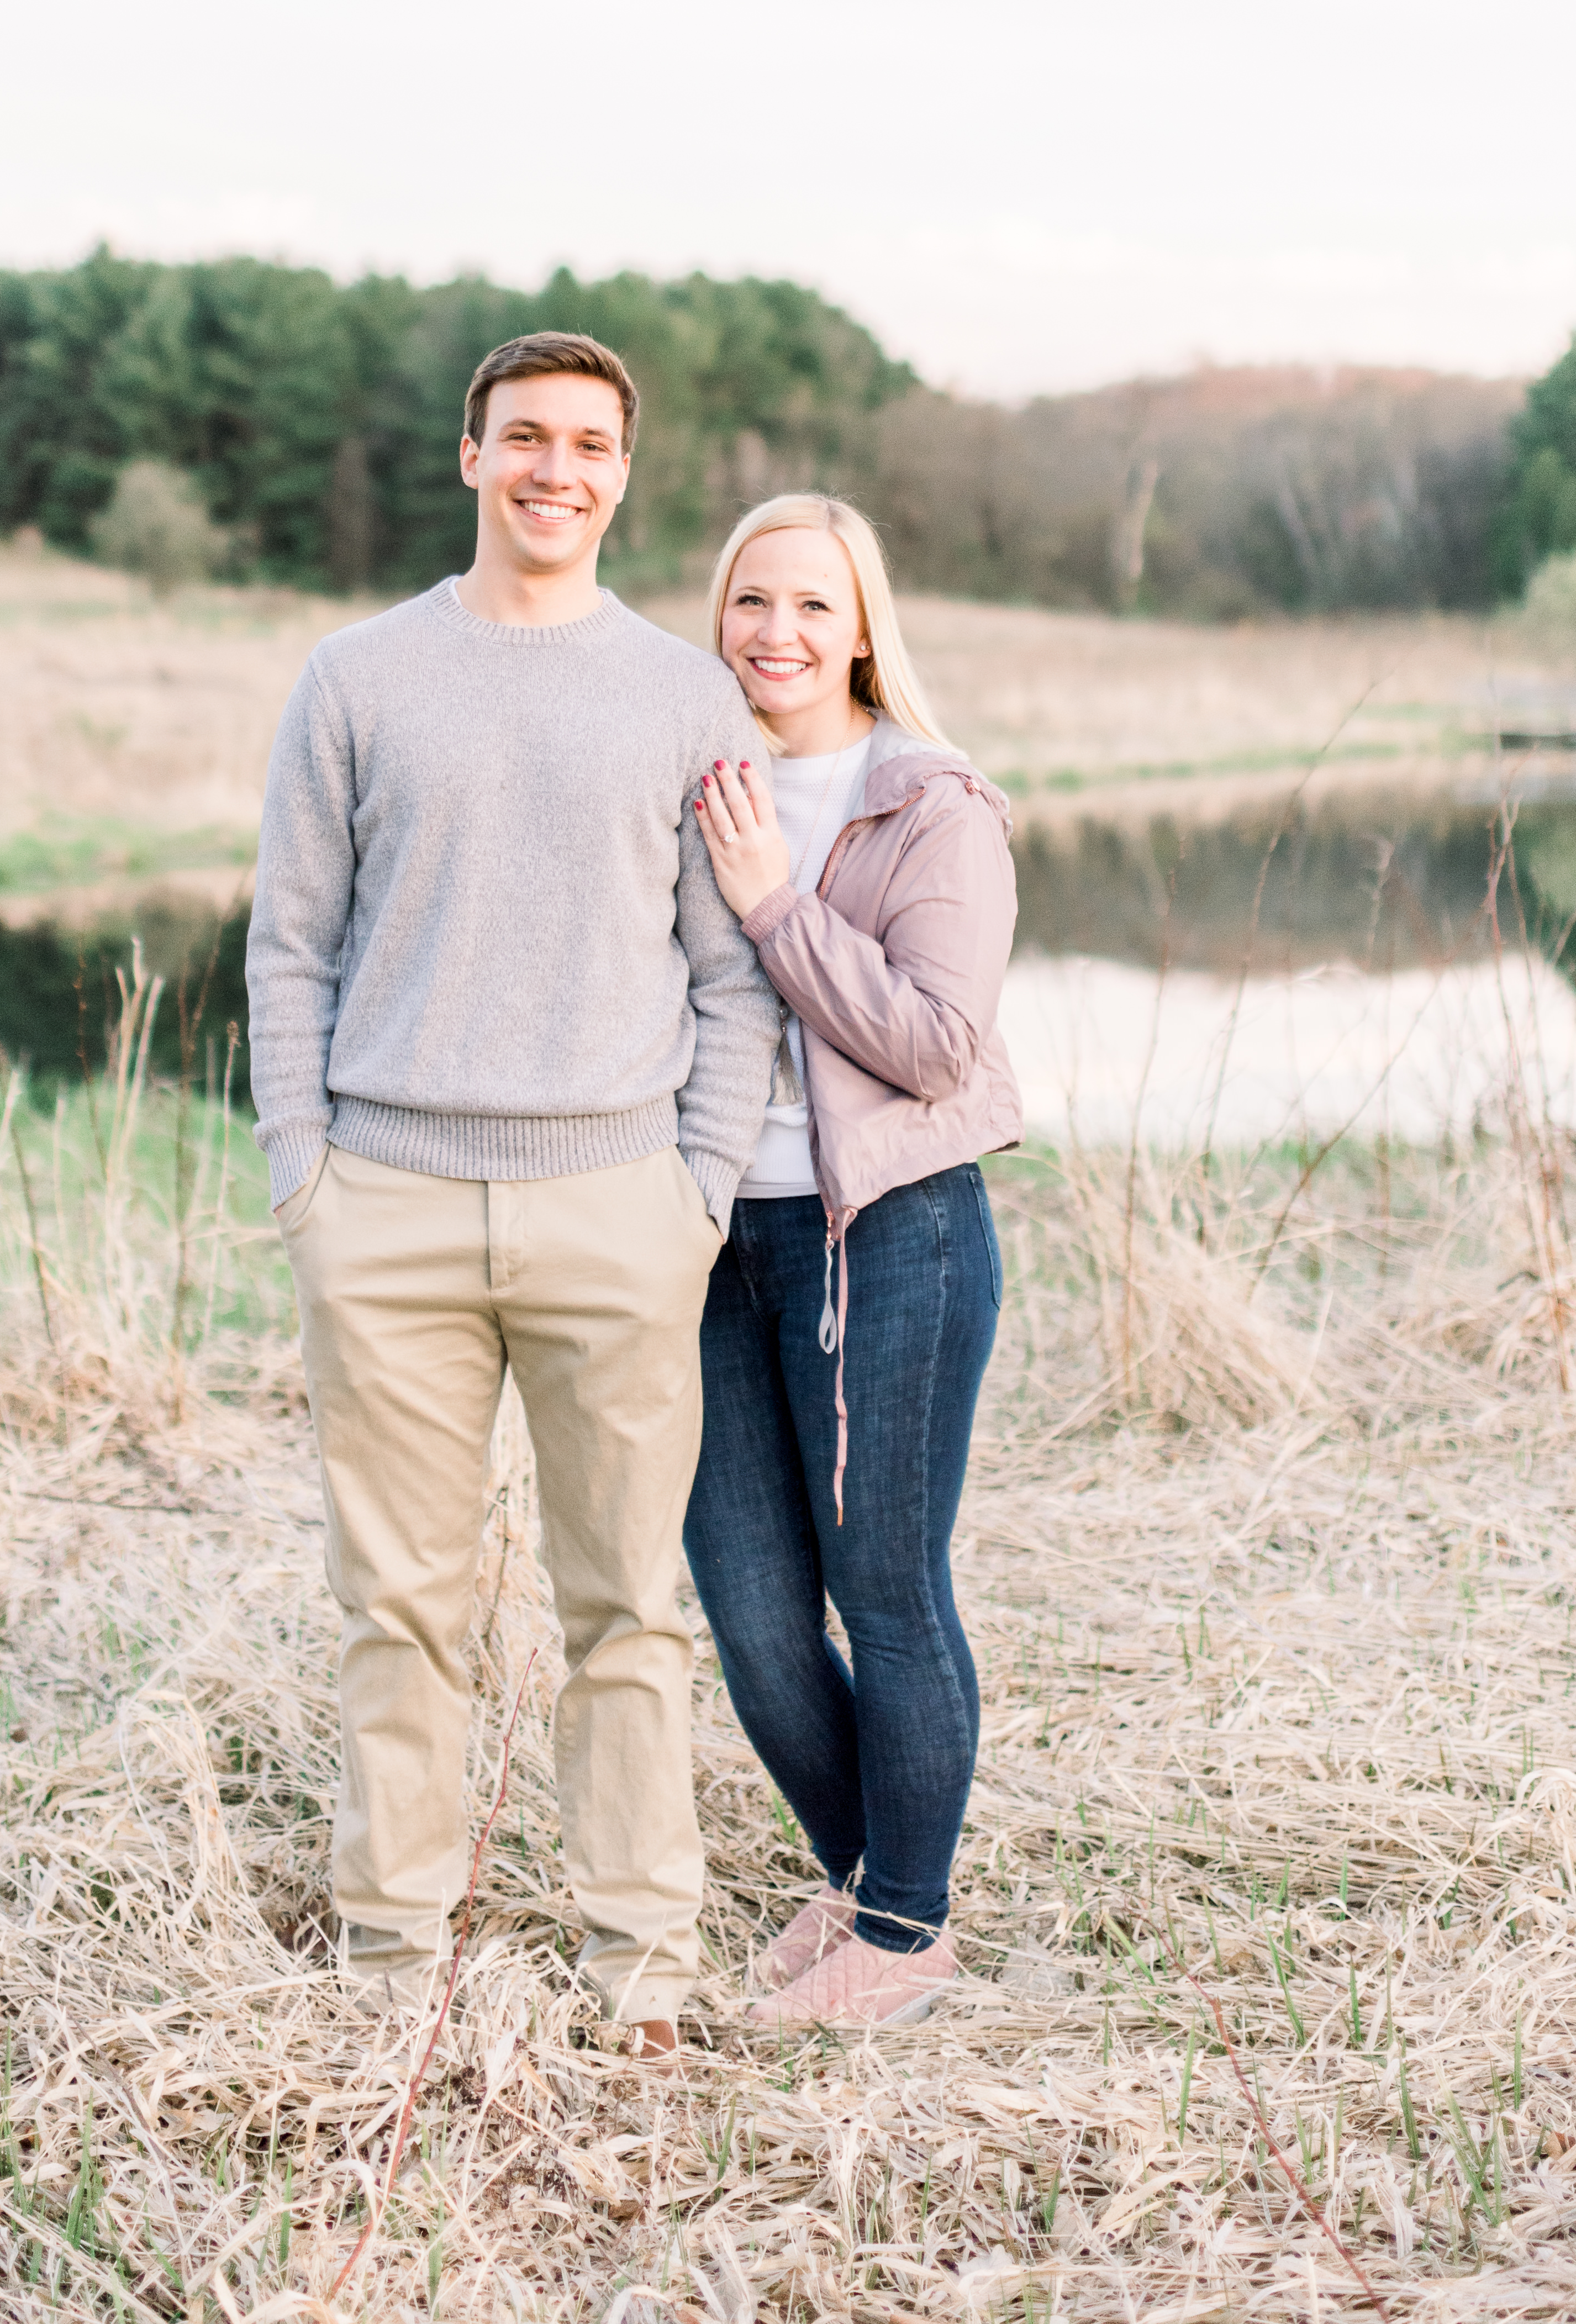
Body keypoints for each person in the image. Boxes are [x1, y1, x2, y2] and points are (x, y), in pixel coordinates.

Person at [245, 331, 777, 2058]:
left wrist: (694, 1189)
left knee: (627, 1606)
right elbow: (289, 947)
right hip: (383, 1205)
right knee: (398, 1605)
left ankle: (643, 1961)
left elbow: (728, 973)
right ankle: (396, 1957)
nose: (558, 469)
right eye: (526, 437)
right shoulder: (354, 677)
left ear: (623, 475)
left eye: (591, 445)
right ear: (470, 455)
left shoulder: (687, 698)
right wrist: (304, 1179)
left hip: (614, 1209)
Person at [684, 492, 1022, 2029]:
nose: (777, 633)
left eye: (813, 605)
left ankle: (905, 1933)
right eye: (752, 601)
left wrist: (772, 906)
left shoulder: (931, 804)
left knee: (882, 1584)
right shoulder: (692, 779)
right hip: (709, 1237)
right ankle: (862, 1881)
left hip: (894, 1231)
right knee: (751, 1605)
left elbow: (938, 1046)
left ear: (864, 624)